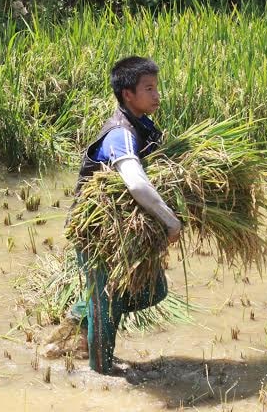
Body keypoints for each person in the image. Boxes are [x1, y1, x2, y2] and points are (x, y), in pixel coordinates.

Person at [52, 56, 182, 374]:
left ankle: (80, 319)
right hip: (96, 234)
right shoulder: (120, 133)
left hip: (121, 232)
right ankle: (100, 375)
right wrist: (170, 220)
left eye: (157, 87)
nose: (156, 95)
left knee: (154, 290)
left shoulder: (144, 126)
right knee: (108, 307)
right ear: (128, 95)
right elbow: (137, 184)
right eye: (148, 88)